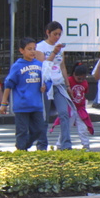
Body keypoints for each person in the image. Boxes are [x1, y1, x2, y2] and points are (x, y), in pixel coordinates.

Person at [0, 37, 46, 151]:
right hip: (22, 105)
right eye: (29, 49)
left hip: (36, 105)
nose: (32, 51)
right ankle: (21, 151)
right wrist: (4, 103)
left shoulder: (40, 65)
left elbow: (46, 80)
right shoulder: (17, 66)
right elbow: (9, 84)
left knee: (39, 129)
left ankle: (23, 146)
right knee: (22, 131)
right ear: (22, 50)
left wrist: (45, 86)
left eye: (34, 49)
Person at [35, 21, 72, 150]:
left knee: (64, 113)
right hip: (46, 84)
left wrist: (67, 85)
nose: (57, 37)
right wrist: (53, 53)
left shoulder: (60, 48)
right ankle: (42, 144)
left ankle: (66, 144)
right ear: (48, 33)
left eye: (59, 34)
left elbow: (62, 66)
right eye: (55, 34)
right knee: (44, 117)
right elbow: (43, 65)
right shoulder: (40, 47)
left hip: (58, 84)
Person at [66, 64, 93, 151]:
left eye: (83, 78)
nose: (81, 80)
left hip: (80, 108)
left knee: (83, 128)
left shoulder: (85, 83)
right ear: (74, 74)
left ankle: (86, 145)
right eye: (79, 79)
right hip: (70, 107)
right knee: (66, 127)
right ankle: (61, 144)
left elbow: (85, 93)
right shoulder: (69, 81)